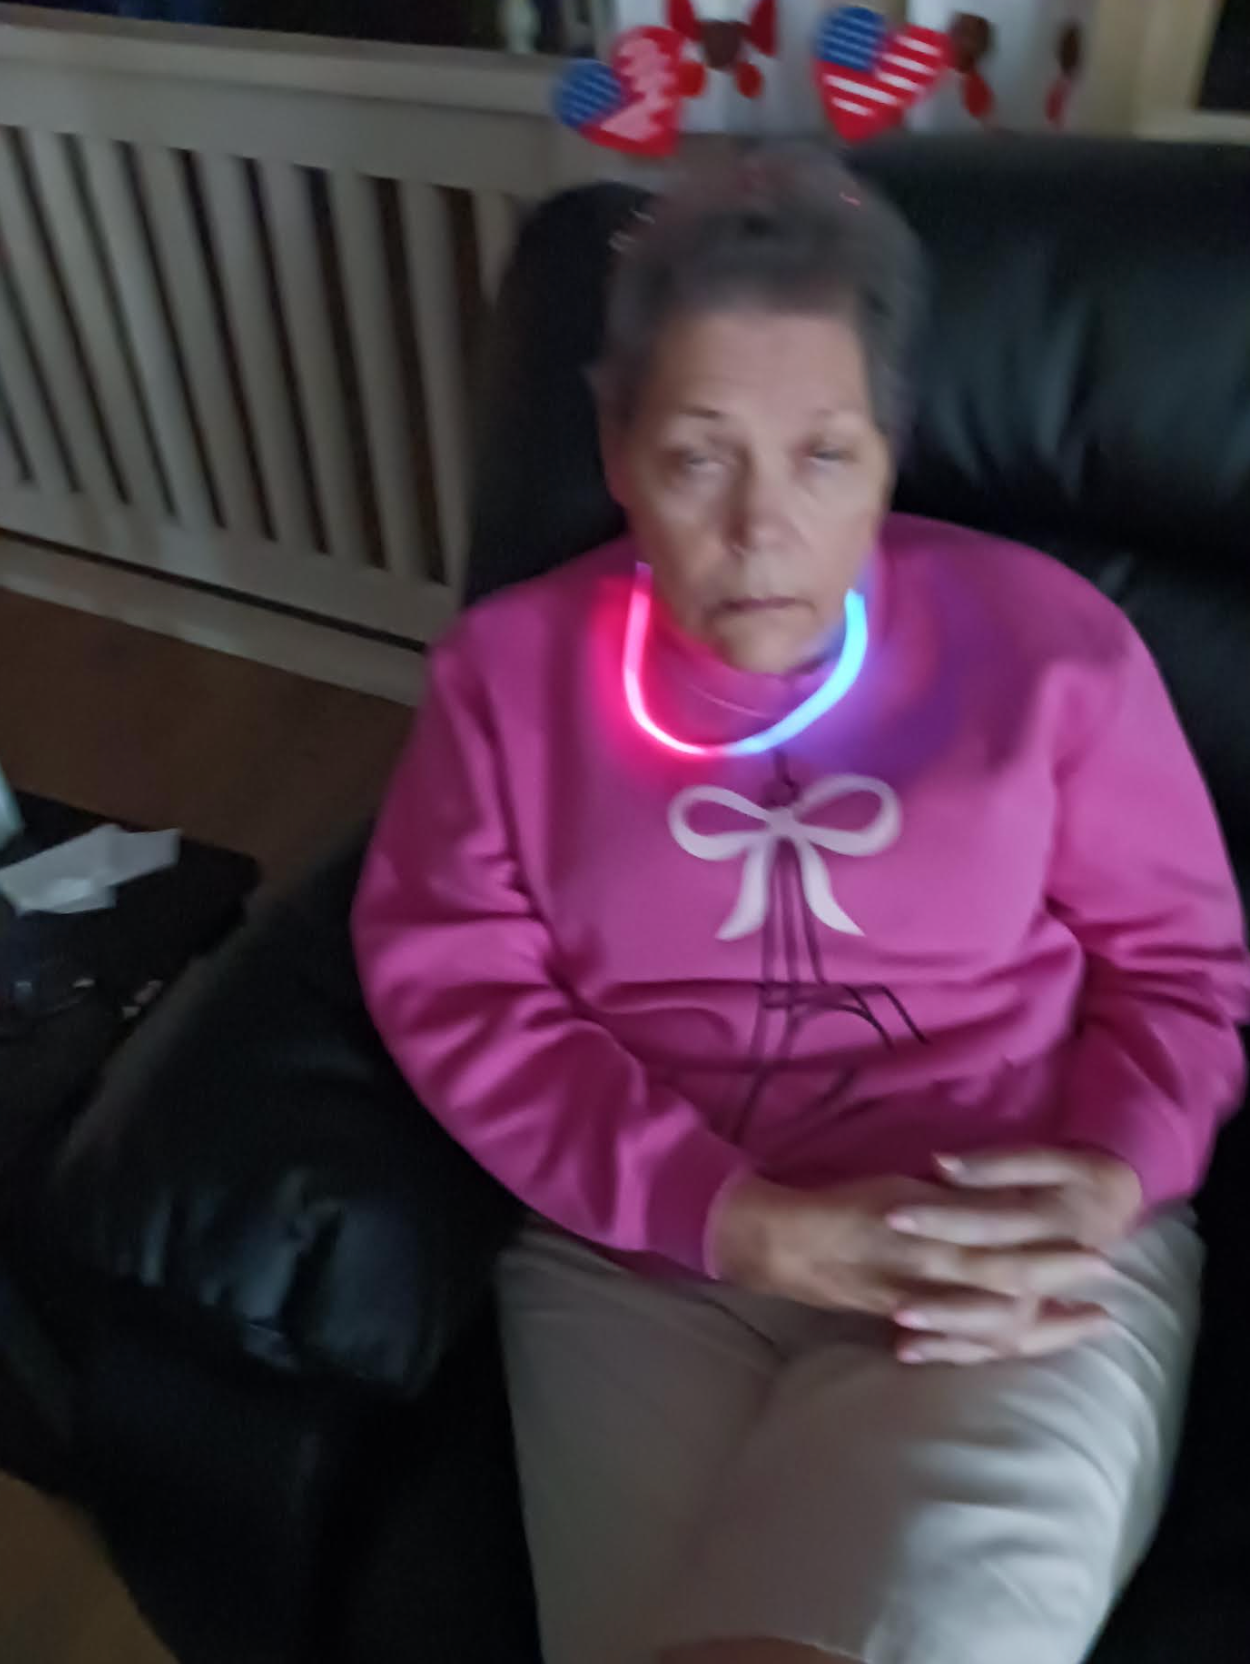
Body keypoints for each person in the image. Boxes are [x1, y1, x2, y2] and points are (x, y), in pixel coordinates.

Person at [352, 148, 1250, 1664]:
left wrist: (1111, 1172)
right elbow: (459, 983)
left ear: (890, 454)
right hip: (643, 1255)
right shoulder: (505, 681)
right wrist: (731, 1220)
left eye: (823, 453)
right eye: (701, 455)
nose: (763, 529)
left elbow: (1181, 967)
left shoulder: (1053, 654)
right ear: (617, 447)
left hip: (995, 1231)